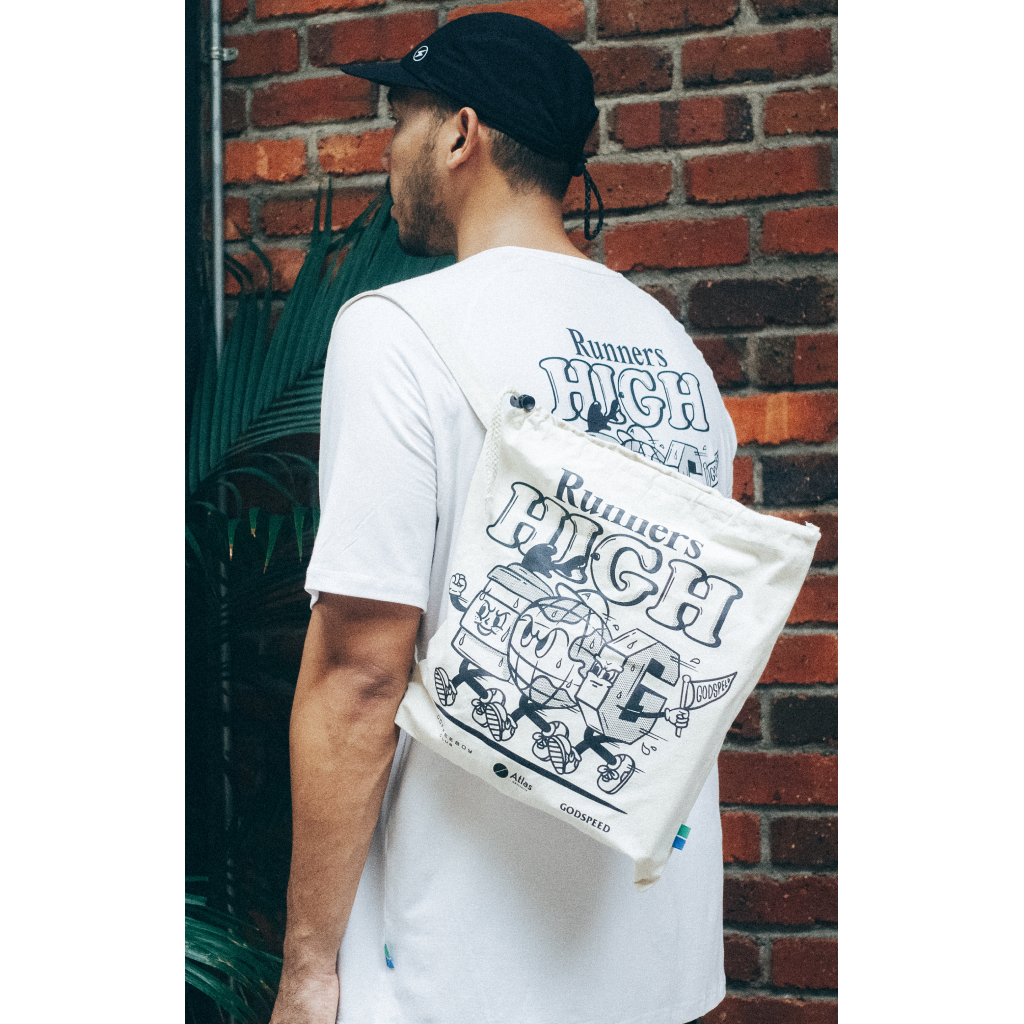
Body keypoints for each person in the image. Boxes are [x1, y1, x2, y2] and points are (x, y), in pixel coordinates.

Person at [271, 13, 737, 1024]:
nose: (387, 148)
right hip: (656, 958)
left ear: (459, 133)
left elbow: (359, 674)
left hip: (454, 968)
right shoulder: (676, 355)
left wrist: (306, 969)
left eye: (400, 117)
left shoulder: (399, 332)